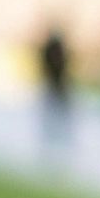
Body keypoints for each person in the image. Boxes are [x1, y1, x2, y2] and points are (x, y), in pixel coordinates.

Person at [38, 23, 73, 161]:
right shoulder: (52, 47)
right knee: (52, 106)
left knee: (60, 107)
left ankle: (60, 132)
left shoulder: (58, 48)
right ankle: (52, 132)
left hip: (58, 80)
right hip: (54, 80)